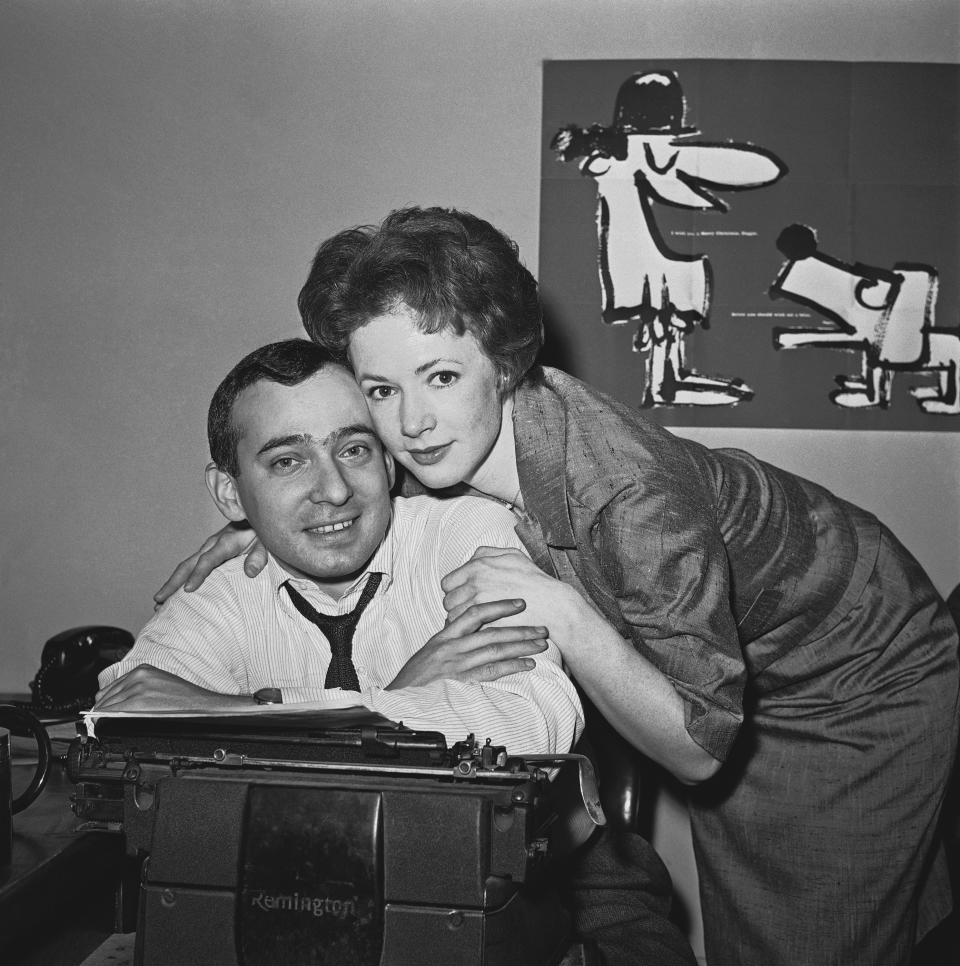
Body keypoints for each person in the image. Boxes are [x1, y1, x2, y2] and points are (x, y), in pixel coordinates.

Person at [158, 207, 960, 966]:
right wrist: (253, 527)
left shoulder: (628, 497)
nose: (411, 424)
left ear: (506, 364)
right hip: (758, 667)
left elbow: (699, 756)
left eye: (440, 375)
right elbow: (347, 489)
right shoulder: (453, 448)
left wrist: (570, 617)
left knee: (807, 938)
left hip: (864, 666)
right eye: (380, 389)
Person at [97, 338, 586, 757]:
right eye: (288, 461)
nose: (334, 490)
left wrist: (250, 712)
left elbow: (536, 722)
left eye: (354, 450)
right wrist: (392, 699)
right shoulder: (221, 591)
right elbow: (122, 722)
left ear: (389, 464)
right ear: (230, 493)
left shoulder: (465, 536)